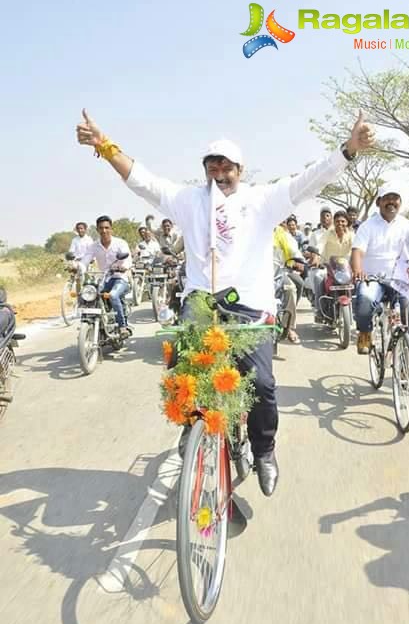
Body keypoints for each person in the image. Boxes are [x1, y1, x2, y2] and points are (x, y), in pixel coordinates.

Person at [76, 108, 375, 496]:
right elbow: (141, 179)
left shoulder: (263, 200)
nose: (218, 172)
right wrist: (103, 144)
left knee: (263, 384)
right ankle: (193, 427)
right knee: (181, 370)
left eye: (226, 166)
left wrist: (349, 149)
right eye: (211, 165)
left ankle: (265, 450)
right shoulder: (187, 200)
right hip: (202, 303)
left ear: (240, 168)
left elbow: (311, 179)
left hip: (250, 308)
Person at [351, 184, 409, 355]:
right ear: (378, 202)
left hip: (401, 281)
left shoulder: (408, 225)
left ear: (400, 203)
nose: (391, 202)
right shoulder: (367, 226)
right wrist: (357, 269)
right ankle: (364, 333)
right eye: (387, 198)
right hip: (373, 278)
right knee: (364, 301)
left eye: (395, 198)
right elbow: (358, 251)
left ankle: (408, 363)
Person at [80, 215, 133, 338]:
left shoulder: (120, 243)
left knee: (113, 295)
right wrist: (79, 268)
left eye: (106, 228)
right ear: (97, 230)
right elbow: (85, 260)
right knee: (88, 295)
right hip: (104, 279)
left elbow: (128, 259)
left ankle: (122, 326)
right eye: (101, 228)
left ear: (111, 229)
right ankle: (88, 321)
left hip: (120, 278)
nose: (104, 231)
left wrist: (123, 266)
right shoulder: (93, 246)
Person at [311, 210, 354, 322]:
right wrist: (316, 257)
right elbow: (320, 245)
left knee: (359, 281)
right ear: (334, 222)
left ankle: (358, 311)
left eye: (343, 221)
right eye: (337, 221)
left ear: (347, 222)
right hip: (328, 266)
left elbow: (356, 248)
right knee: (318, 277)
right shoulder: (328, 233)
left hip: (345, 268)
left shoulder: (351, 235)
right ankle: (319, 310)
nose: (340, 224)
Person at [273, 223, 303, 344]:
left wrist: (299, 261)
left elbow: (294, 251)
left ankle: (288, 326)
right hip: (256, 274)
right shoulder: (254, 228)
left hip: (279, 272)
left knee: (291, 287)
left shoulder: (283, 234)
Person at [68, 221, 95, 291]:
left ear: (85, 229)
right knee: (71, 267)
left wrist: (92, 259)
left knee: (87, 278)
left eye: (82, 228)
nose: (80, 230)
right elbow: (71, 251)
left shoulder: (89, 239)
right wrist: (71, 256)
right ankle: (71, 283)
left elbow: (92, 251)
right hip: (77, 261)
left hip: (87, 261)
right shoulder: (74, 240)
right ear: (76, 230)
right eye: (78, 229)